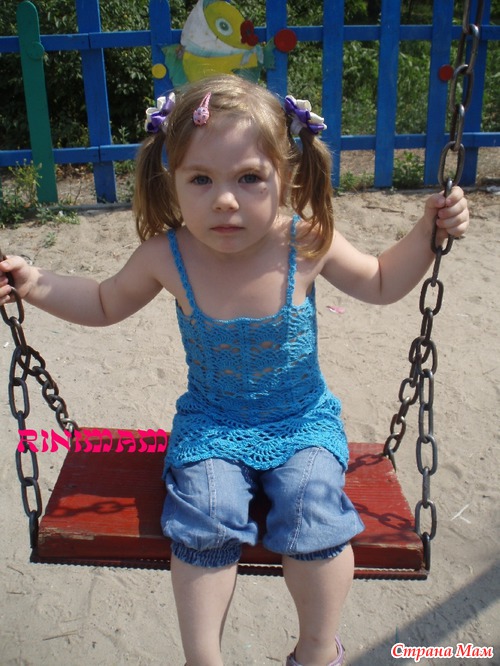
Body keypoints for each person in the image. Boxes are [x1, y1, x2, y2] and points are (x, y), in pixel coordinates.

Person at [0, 74, 469, 666]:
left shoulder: (306, 242)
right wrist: (33, 283)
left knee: (311, 506)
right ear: (171, 181)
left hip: (301, 422)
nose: (225, 200)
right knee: (205, 512)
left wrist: (428, 232)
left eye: (249, 178)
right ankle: (204, 658)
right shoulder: (166, 255)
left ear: (285, 177)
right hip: (212, 425)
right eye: (201, 179)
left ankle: (317, 649)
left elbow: (379, 282)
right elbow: (101, 302)